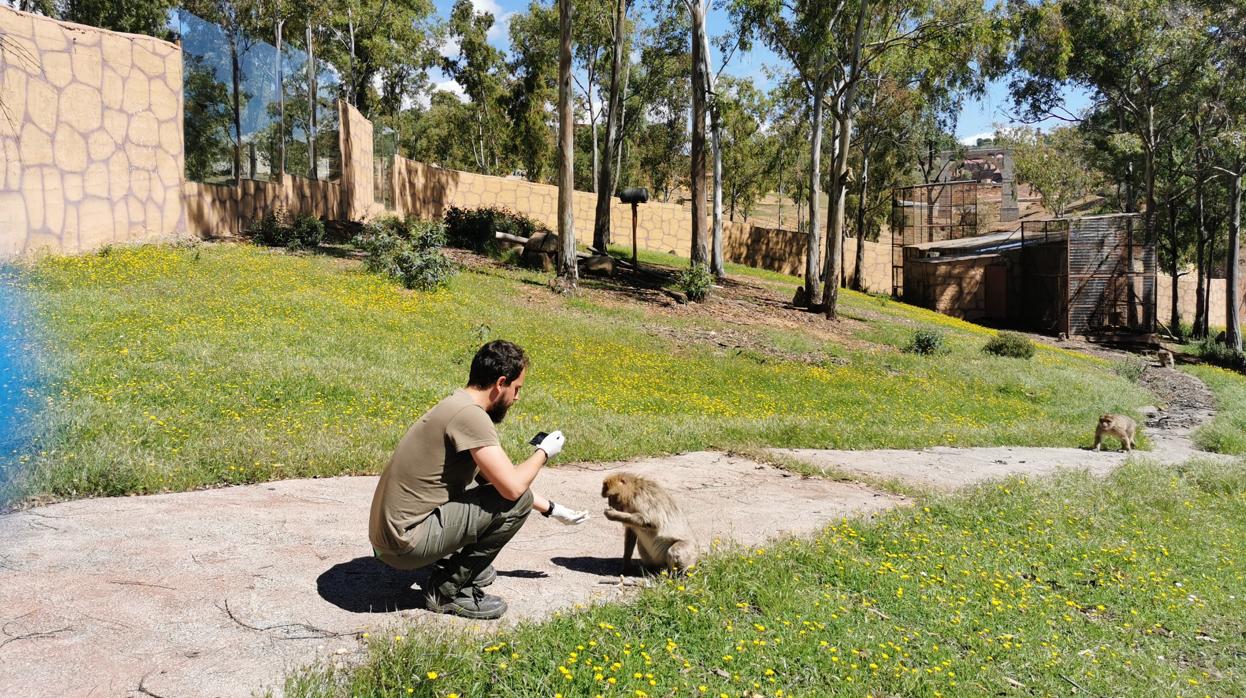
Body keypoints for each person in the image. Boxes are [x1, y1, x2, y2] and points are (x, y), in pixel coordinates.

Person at [368, 340, 588, 619]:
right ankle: (449, 591)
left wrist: (553, 509)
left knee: (489, 490)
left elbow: (496, 479)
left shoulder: (456, 403)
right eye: (517, 389)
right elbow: (512, 490)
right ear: (500, 383)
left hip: (387, 539)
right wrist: (544, 452)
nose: (517, 398)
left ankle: (456, 567)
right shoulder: (471, 417)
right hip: (404, 545)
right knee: (514, 501)